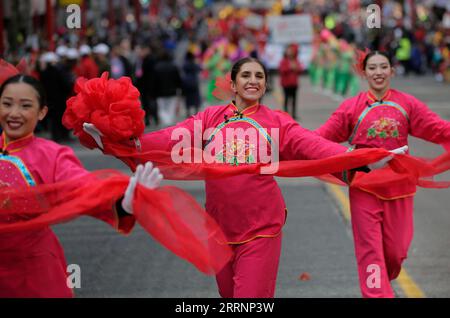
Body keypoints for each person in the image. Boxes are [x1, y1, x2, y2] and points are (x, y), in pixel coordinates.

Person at [83, 57, 404, 298]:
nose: (254, 80)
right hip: (219, 227)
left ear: (265, 86)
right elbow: (171, 138)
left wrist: (360, 158)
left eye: (260, 77)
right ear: (233, 85)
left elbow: (315, 147)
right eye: (246, 75)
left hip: (261, 228)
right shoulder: (210, 118)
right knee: (229, 299)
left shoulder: (276, 123)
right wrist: (122, 143)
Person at [0, 73, 162, 297]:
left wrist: (122, 201)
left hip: (33, 269)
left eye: (25, 106)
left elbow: (84, 187)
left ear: (42, 112)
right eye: (7, 104)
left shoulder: (52, 156)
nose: (14, 113)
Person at [315, 50, 450, 298]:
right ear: (364, 73)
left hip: (400, 187)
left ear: (391, 70)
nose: (378, 73)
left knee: (395, 253)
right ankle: (377, 293)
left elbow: (438, 128)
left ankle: (380, 285)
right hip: (365, 188)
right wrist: (285, 145)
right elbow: (317, 140)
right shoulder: (351, 108)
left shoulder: (407, 104)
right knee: (370, 253)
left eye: (383, 67)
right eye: (373, 68)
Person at [279, 44, 302, 120]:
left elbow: (300, 69)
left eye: (291, 51)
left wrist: (296, 68)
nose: (290, 53)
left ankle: (294, 114)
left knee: (294, 100)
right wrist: (290, 68)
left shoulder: (296, 60)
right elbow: (282, 70)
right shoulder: (284, 61)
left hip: (294, 83)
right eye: (289, 51)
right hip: (286, 83)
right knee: (286, 99)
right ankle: (285, 114)